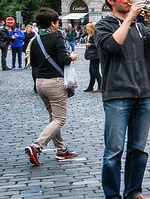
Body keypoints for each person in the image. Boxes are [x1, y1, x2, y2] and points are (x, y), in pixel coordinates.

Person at [94, 0, 150, 199]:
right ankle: (112, 196)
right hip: (117, 94)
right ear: (110, 0)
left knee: (138, 147)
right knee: (114, 149)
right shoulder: (103, 25)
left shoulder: (140, 26)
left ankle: (133, 191)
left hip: (143, 91)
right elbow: (113, 46)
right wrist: (129, 19)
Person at [24, 8, 79, 166]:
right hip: (54, 82)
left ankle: (61, 149)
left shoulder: (35, 40)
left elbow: (33, 63)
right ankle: (37, 146)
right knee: (60, 119)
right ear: (53, 23)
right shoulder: (57, 37)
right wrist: (72, 57)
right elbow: (63, 59)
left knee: (53, 118)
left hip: (40, 82)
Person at [83, 22, 102, 92]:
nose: (86, 29)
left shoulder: (94, 35)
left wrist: (90, 44)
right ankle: (90, 87)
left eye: (87, 28)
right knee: (92, 72)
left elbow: (98, 44)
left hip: (95, 55)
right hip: (93, 55)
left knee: (95, 71)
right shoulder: (90, 35)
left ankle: (101, 86)